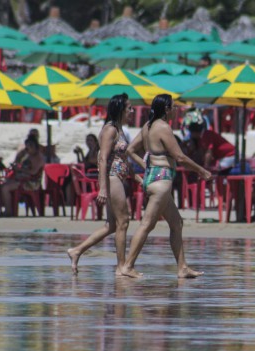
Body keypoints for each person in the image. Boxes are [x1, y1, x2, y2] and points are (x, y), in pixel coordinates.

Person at [120, 94, 212, 279]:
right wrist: (202, 171)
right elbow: (179, 157)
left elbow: (130, 150)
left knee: (176, 223)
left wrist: (146, 167)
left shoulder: (148, 126)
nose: (176, 109)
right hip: (161, 182)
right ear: (167, 109)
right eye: (174, 107)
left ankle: (182, 268)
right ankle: (127, 266)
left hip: (152, 178)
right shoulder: (163, 127)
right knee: (147, 225)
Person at [66, 93, 136, 274]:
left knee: (111, 226)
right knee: (123, 222)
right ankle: (121, 267)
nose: (132, 111)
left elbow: (123, 159)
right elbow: (103, 159)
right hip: (112, 179)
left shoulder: (119, 129)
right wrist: (103, 189)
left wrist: (138, 178)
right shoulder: (110, 129)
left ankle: (76, 251)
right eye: (129, 107)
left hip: (118, 178)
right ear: (120, 109)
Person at [0, 134, 45, 216]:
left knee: (5, 188)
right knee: (3, 184)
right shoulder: (27, 155)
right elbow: (18, 163)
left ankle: (9, 211)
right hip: (21, 179)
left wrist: (20, 169)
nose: (27, 150)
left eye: (28, 148)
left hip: (31, 182)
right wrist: (19, 157)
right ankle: (8, 209)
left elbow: (33, 172)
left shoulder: (39, 157)